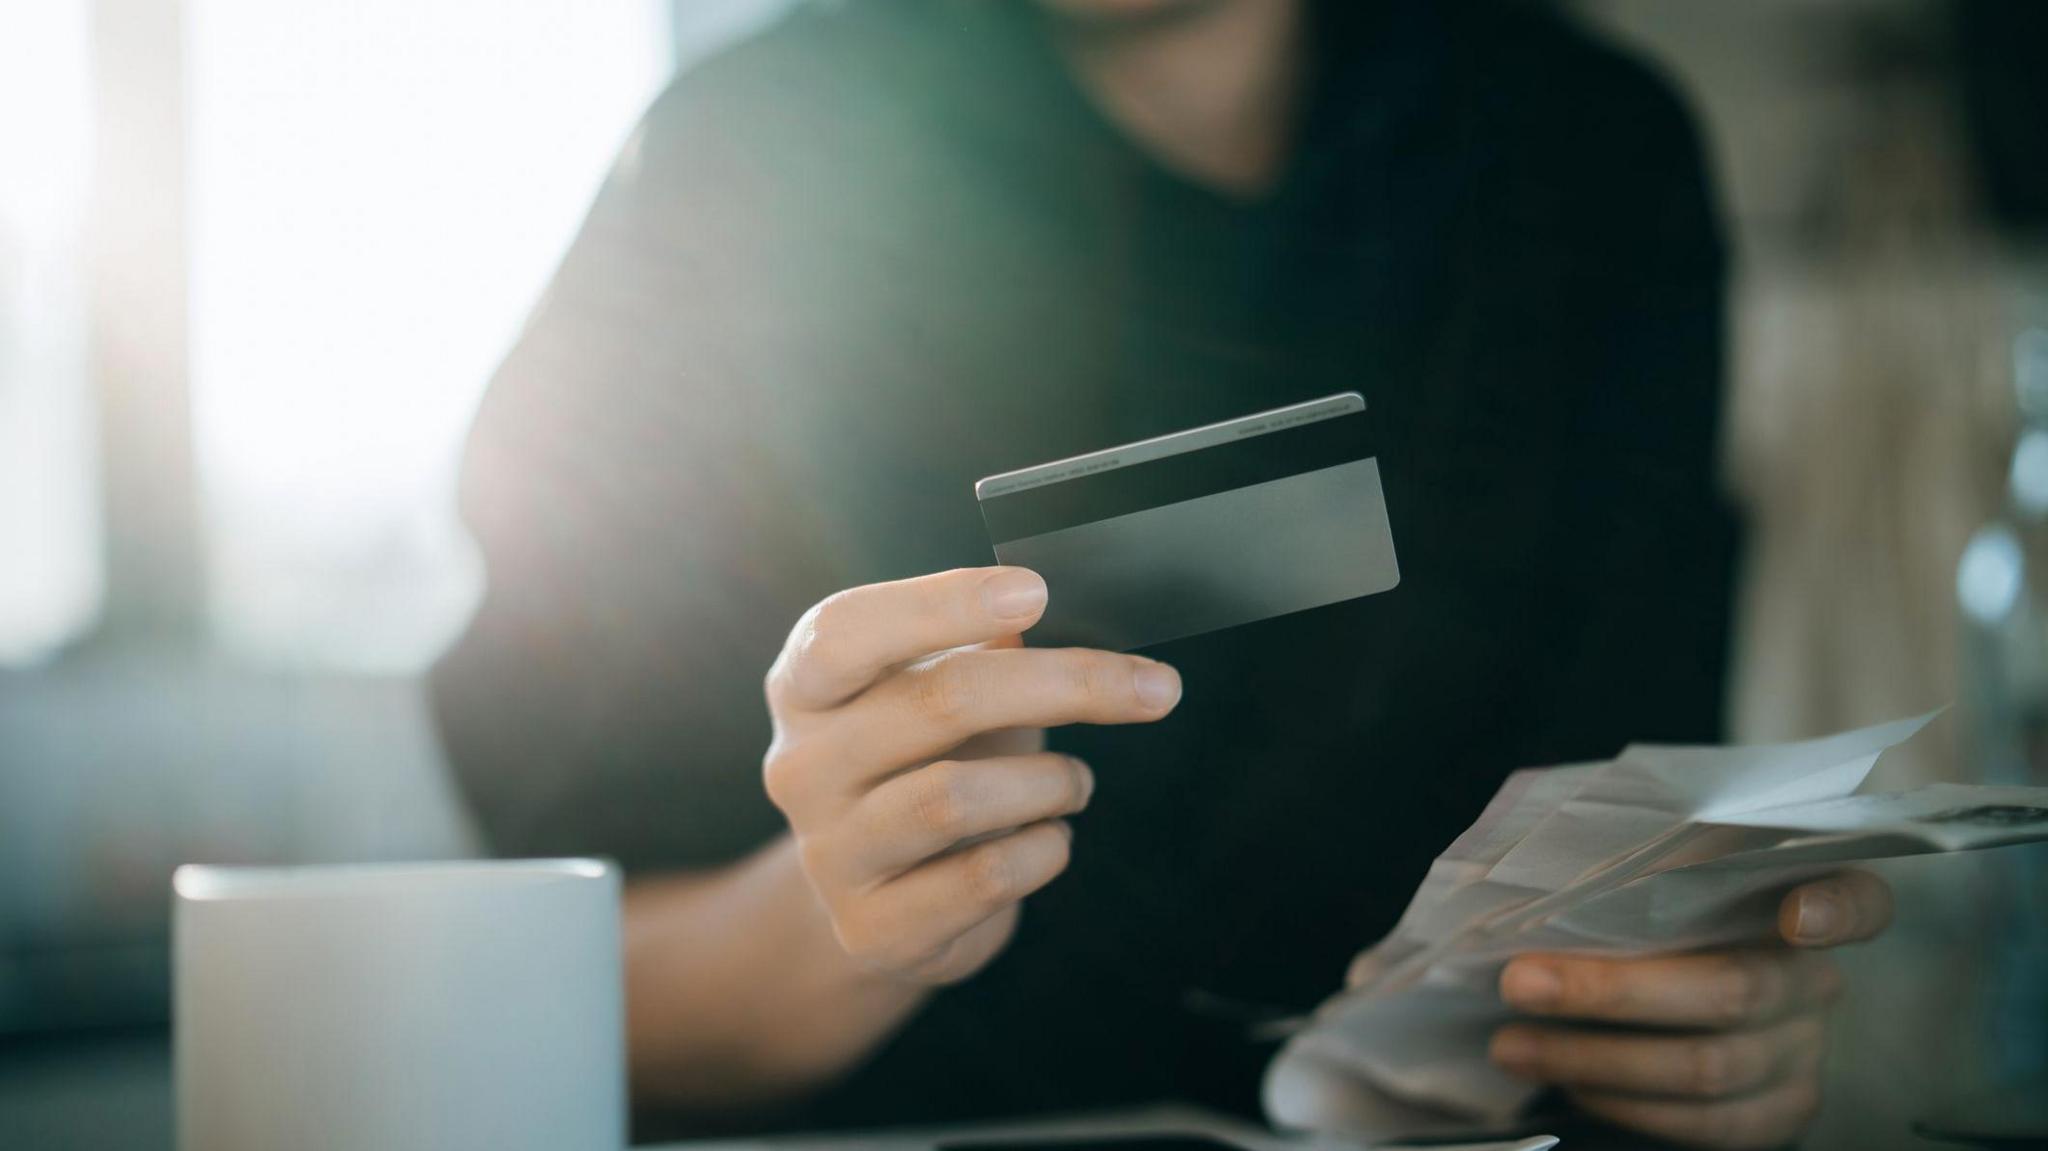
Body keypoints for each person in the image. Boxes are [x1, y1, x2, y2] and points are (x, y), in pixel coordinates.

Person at [430, 1, 1894, 1147]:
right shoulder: (732, 177)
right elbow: (557, 1000)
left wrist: (1710, 1050)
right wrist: (849, 918)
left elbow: (1637, 845)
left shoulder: (1593, 158)